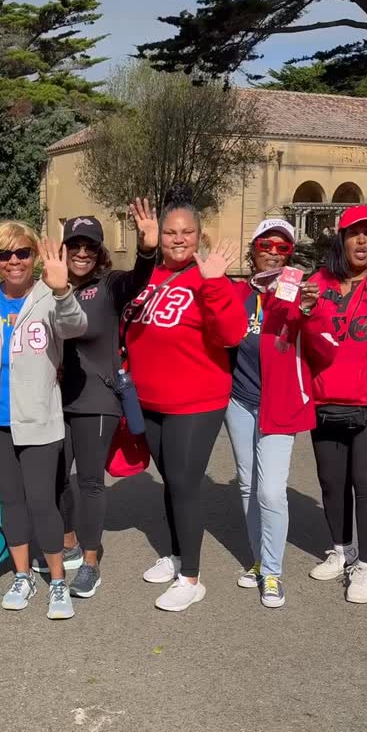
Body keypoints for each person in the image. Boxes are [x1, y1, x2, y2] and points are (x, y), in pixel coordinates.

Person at [123, 185, 248, 612]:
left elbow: (230, 334)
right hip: (151, 400)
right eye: (171, 232)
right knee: (169, 482)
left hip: (196, 400)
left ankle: (191, 577)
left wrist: (213, 285)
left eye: (187, 232)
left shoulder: (211, 278)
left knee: (184, 483)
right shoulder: (149, 276)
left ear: (200, 235)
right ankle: (175, 553)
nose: (179, 239)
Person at [41, 203, 157, 598]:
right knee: (57, 477)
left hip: (96, 401)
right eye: (75, 244)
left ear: (100, 251)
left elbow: (141, 277)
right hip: (55, 401)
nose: (82, 252)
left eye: (90, 246)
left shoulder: (109, 286)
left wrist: (147, 248)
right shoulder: (53, 285)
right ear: (65, 247)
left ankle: (91, 562)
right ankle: (70, 540)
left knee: (90, 482)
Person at [0, 222, 87, 620]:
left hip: (39, 423)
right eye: (4, 254)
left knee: (43, 502)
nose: (14, 261)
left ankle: (58, 581)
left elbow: (76, 326)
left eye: (22, 252)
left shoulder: (49, 298)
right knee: (12, 503)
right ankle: (23, 575)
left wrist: (61, 289)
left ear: (34, 255)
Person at [226, 219, 338, 608]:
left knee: (271, 491)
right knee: (248, 486)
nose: (273, 252)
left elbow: (327, 352)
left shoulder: (302, 295)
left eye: (283, 247)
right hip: (239, 402)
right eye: (266, 244)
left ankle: (272, 573)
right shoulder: (238, 292)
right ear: (254, 249)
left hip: (280, 406)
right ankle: (258, 560)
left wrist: (308, 313)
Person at [309, 204, 367, 603]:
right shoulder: (319, 280)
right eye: (354, 232)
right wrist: (303, 308)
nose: (362, 240)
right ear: (340, 237)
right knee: (331, 483)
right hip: (326, 401)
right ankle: (341, 549)